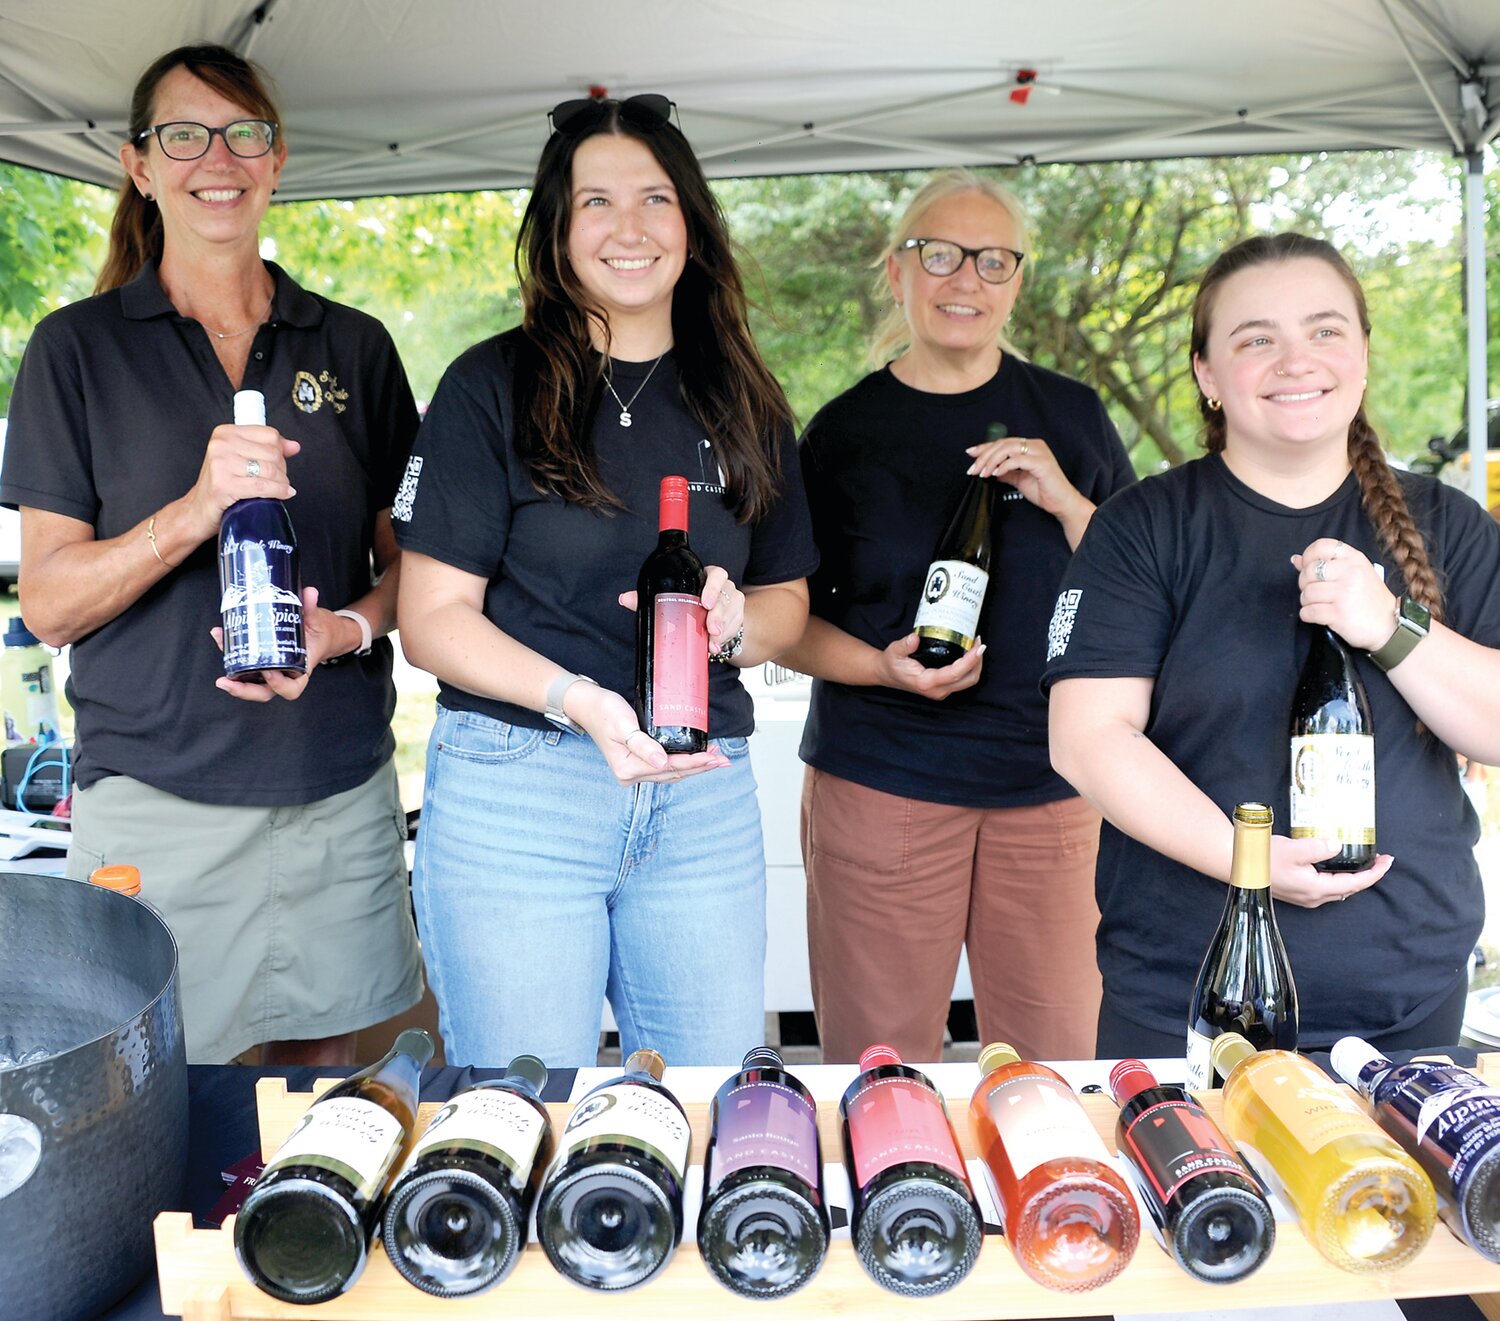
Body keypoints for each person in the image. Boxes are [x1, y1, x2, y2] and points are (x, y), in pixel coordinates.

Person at [0, 45, 424, 1065]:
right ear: (139, 163)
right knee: (170, 1121)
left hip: (339, 796)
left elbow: (425, 568)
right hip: (159, 806)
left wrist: (346, 629)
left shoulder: (354, 347)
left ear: (276, 163)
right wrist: (195, 510)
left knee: (350, 1113)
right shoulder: (77, 350)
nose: (217, 159)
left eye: (244, 134)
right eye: (184, 135)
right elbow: (52, 605)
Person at [393, 94, 817, 1068]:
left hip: (700, 800)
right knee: (523, 1110)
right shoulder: (490, 386)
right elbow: (431, 618)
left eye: (655, 198)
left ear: (692, 221)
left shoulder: (746, 400)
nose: (629, 228)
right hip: (521, 787)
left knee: (708, 1106)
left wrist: (733, 622)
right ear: (556, 228)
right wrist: (579, 700)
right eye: (596, 202)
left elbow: (786, 602)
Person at [1046, 232, 1500, 1058]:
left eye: (1325, 331)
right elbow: (1085, 738)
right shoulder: (1143, 527)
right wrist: (1245, 859)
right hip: (1188, 998)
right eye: (1257, 339)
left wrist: (1389, 628)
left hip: (1409, 1002)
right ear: (1208, 375)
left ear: (1362, 353)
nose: (1296, 361)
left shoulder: (1449, 526)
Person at [779, 170, 1136, 1063]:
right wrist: (881, 666)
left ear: (1017, 281)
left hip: (1053, 790)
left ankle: (1050, 1211)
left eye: (992, 260)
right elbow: (785, 621)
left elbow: (1144, 580)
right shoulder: (842, 435)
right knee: (881, 1066)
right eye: (938, 254)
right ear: (896, 272)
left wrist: (1065, 501)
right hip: (884, 784)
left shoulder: (1071, 416)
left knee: (1058, 1064)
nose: (964, 279)